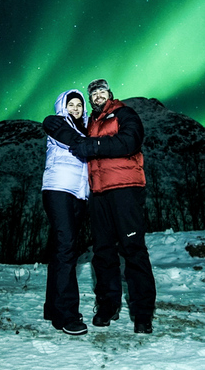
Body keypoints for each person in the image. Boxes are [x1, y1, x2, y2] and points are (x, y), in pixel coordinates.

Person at [47, 79, 156, 334]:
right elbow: (67, 128)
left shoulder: (124, 113)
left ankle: (142, 313)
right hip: (98, 194)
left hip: (125, 190)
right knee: (103, 252)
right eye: (93, 93)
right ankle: (107, 306)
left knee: (133, 249)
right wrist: (51, 121)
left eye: (101, 92)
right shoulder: (90, 123)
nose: (97, 96)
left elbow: (130, 142)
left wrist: (94, 146)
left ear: (110, 93)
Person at [40, 89, 90, 336]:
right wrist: (86, 143)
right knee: (67, 247)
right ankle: (66, 314)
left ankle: (52, 307)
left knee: (62, 249)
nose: (75, 108)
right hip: (58, 189)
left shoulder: (86, 130)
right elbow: (64, 135)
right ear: (62, 106)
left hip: (79, 194)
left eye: (79, 105)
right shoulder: (57, 123)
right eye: (71, 104)